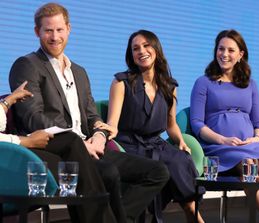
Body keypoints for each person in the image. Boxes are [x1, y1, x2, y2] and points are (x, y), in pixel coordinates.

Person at [8, 3, 169, 223]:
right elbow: (32, 117)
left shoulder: (80, 72)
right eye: (48, 31)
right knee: (109, 173)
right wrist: (77, 142)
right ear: (38, 32)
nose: (54, 37)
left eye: (59, 30)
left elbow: (93, 116)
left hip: (91, 147)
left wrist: (100, 136)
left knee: (158, 172)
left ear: (69, 29)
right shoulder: (27, 65)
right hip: (58, 150)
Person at [106, 29, 204, 223]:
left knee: (179, 160)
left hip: (155, 143)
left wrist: (180, 141)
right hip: (129, 144)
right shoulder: (121, 82)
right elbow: (112, 124)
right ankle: (194, 216)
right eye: (135, 48)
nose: (141, 51)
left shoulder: (170, 85)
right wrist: (103, 136)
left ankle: (192, 212)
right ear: (131, 55)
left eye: (146, 45)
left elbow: (171, 124)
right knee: (161, 166)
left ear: (156, 49)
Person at [190, 29, 259, 223]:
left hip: (249, 144)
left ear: (240, 54)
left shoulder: (251, 84)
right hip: (219, 146)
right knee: (249, 165)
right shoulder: (203, 82)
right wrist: (222, 139)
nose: (224, 54)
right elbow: (197, 123)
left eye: (230, 50)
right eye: (221, 49)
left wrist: (256, 138)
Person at [1, 81, 118, 222]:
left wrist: (8, 101)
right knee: (75, 156)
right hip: (9, 151)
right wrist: (27, 141)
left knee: (71, 146)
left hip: (12, 144)